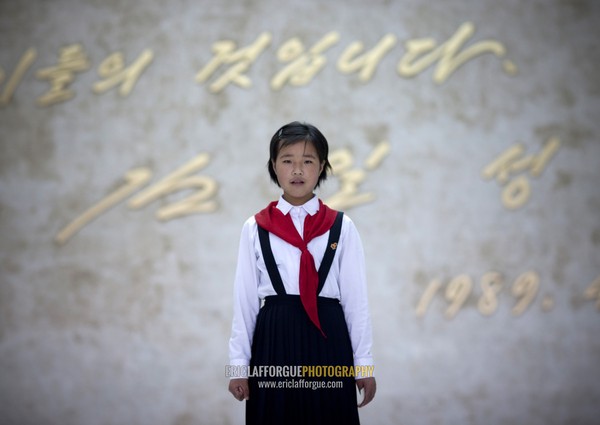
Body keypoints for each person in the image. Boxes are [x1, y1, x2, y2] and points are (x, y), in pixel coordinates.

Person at [228, 121, 376, 424]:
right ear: (274, 166)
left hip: (328, 339)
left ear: (321, 167)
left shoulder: (341, 227)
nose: (297, 170)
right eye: (288, 161)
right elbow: (243, 302)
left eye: (307, 161)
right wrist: (237, 368)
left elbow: (356, 300)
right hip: (273, 341)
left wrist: (364, 367)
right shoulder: (255, 228)